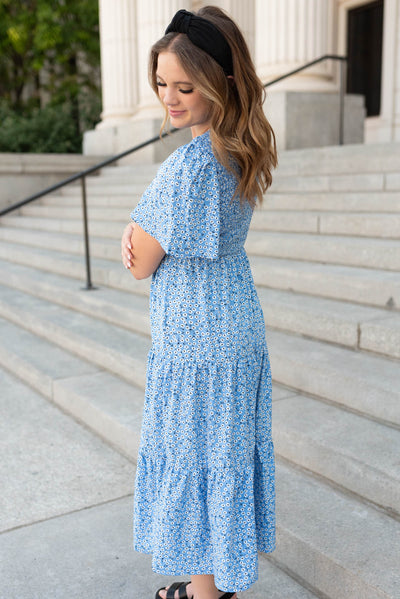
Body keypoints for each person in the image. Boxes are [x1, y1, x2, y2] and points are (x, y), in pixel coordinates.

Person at [120, 6, 277, 599]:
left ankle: (204, 595)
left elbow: (139, 262)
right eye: (161, 84)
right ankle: (215, 584)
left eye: (185, 87)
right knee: (222, 458)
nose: (169, 98)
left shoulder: (186, 168)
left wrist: (134, 231)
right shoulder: (238, 149)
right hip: (235, 324)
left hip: (197, 339)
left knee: (199, 459)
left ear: (221, 82)